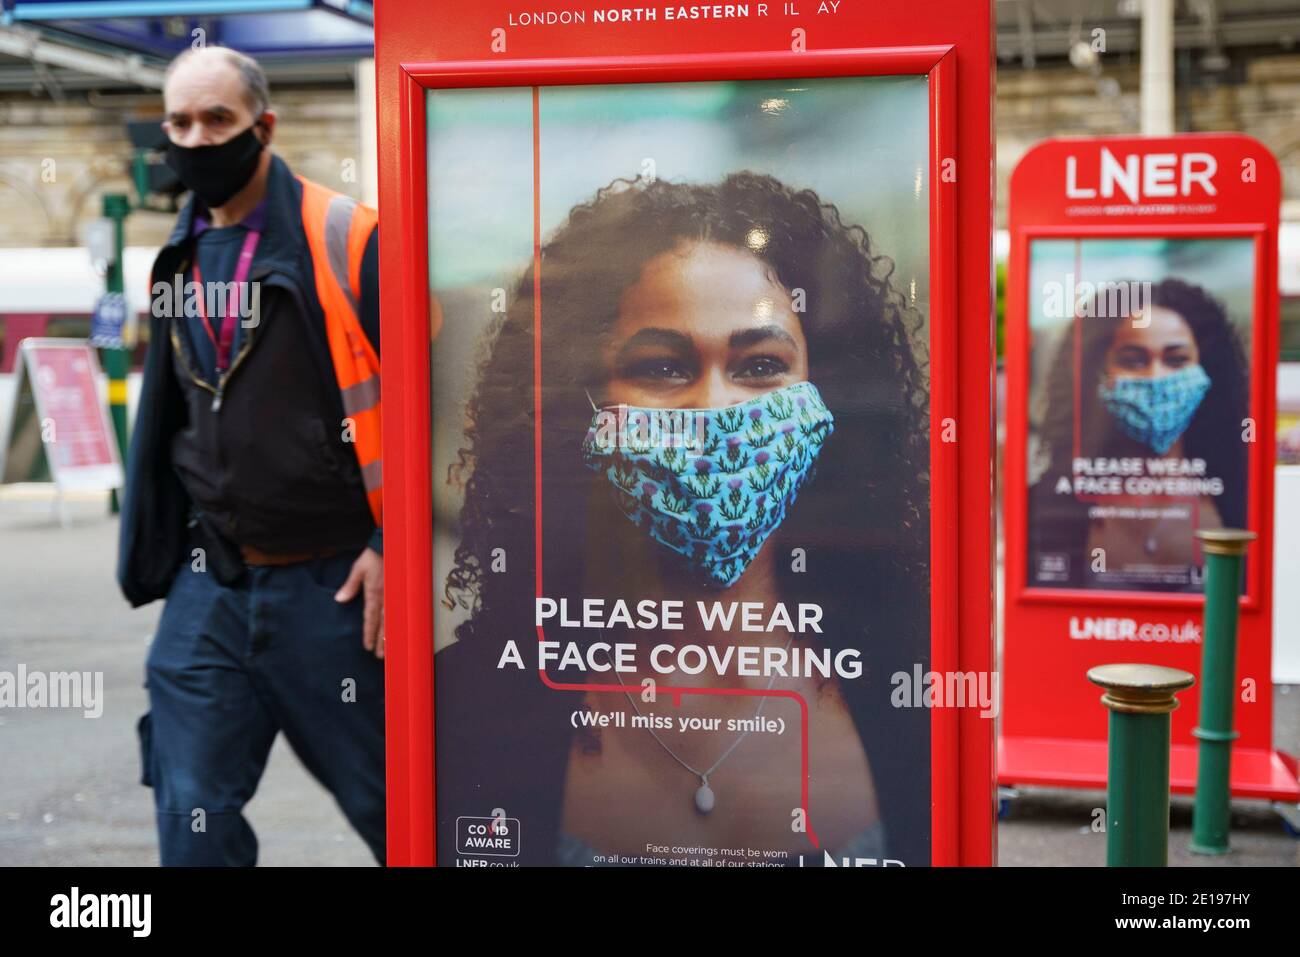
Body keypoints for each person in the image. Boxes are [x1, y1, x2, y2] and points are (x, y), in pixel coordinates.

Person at [434, 172, 932, 866]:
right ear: (583, 403)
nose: (713, 410)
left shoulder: (909, 683)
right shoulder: (476, 695)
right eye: (663, 367)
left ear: (829, 400)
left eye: (761, 365)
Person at [117, 45, 386, 866]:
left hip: (334, 583)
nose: (196, 139)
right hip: (213, 582)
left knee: (396, 805)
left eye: (218, 121)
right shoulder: (179, 252)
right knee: (191, 805)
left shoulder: (348, 238)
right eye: (180, 123)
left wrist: (395, 544)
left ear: (263, 127)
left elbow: (441, 407)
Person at [1029, 277, 1249, 591]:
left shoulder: (1239, 498)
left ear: (1208, 370)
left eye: (1176, 360)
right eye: (1132, 360)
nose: (1155, 377)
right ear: (1097, 375)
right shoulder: (1051, 501)